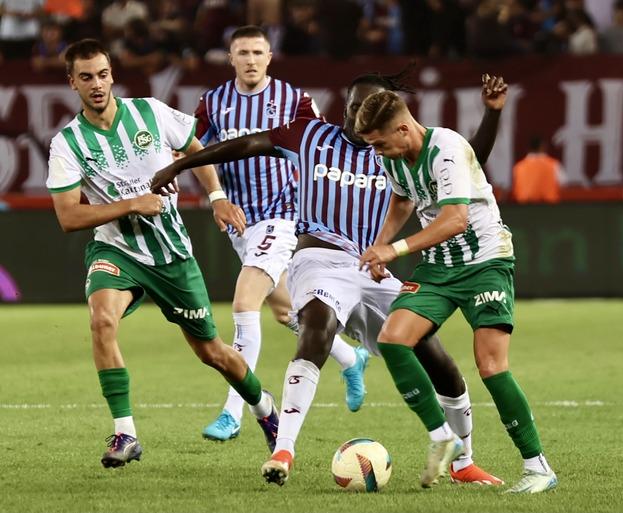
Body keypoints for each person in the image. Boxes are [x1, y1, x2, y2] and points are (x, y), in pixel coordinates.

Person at [151, 70, 508, 488]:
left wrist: (492, 114)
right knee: (317, 328)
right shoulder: (308, 134)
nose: (357, 115)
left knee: (435, 357)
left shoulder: (396, 151)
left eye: (367, 107)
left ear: (389, 113)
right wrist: (185, 161)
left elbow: (468, 161)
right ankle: (283, 450)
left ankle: (463, 461)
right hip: (318, 256)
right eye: (352, 106)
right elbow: (248, 144)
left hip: (372, 266)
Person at [46, 38, 278, 469]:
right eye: (85, 78)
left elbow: (197, 149)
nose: (96, 84)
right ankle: (125, 433)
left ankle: (264, 408)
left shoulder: (150, 111)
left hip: (171, 255)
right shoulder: (68, 144)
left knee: (212, 353)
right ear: (72, 83)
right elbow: (67, 217)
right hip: (116, 250)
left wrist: (216, 197)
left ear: (112, 74)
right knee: (101, 320)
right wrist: (133, 203)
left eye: (101, 74)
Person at [355, 90, 558, 493]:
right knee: (393, 339)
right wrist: (381, 248)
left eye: (379, 143)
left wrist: (393, 249)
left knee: (490, 366)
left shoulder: (446, 148)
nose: (376, 151)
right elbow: (401, 200)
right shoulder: (392, 157)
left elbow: (455, 220)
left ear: (402, 127)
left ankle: (538, 468)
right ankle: (442, 434)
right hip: (439, 267)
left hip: (485, 261)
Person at [194, 25, 370, 443]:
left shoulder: (295, 100)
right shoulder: (213, 102)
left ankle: (234, 411)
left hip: (283, 214)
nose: (251, 59)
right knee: (285, 309)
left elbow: (325, 148)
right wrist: (216, 195)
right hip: (241, 221)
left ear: (270, 56)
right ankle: (350, 357)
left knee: (243, 302)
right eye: (243, 53)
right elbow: (194, 149)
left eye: (258, 52)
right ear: (230, 57)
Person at [512, 135, 565, 203]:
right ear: (542, 146)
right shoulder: (554, 165)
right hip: (549, 208)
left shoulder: (518, 167)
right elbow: (564, 184)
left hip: (524, 208)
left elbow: (515, 189)